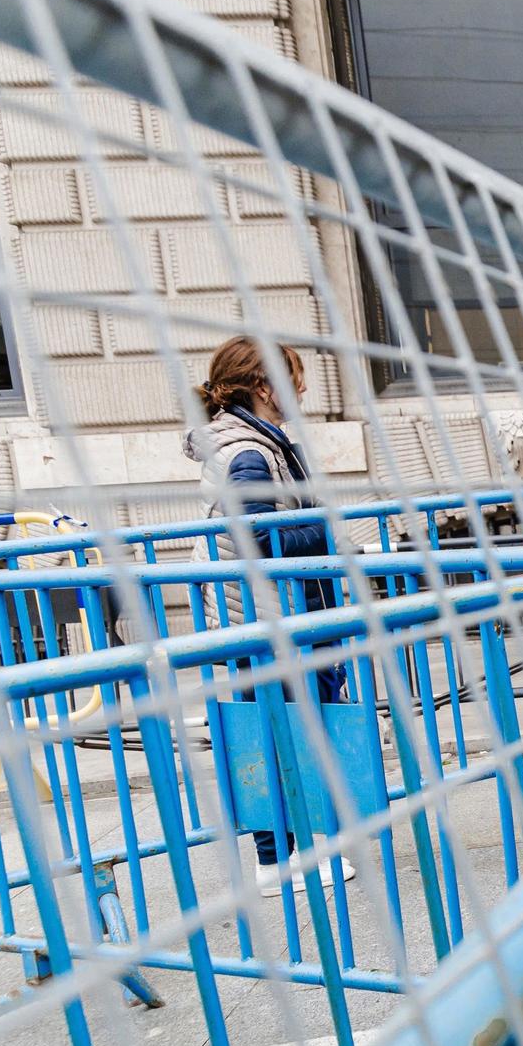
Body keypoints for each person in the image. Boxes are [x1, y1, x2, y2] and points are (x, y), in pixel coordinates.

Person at [184, 335, 356, 898]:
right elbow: (255, 533)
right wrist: (327, 533)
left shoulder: (257, 442)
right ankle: (287, 857)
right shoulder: (249, 452)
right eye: (292, 378)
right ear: (263, 387)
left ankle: (290, 854)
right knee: (287, 733)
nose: (301, 389)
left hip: (265, 614)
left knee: (279, 731)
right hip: (266, 617)